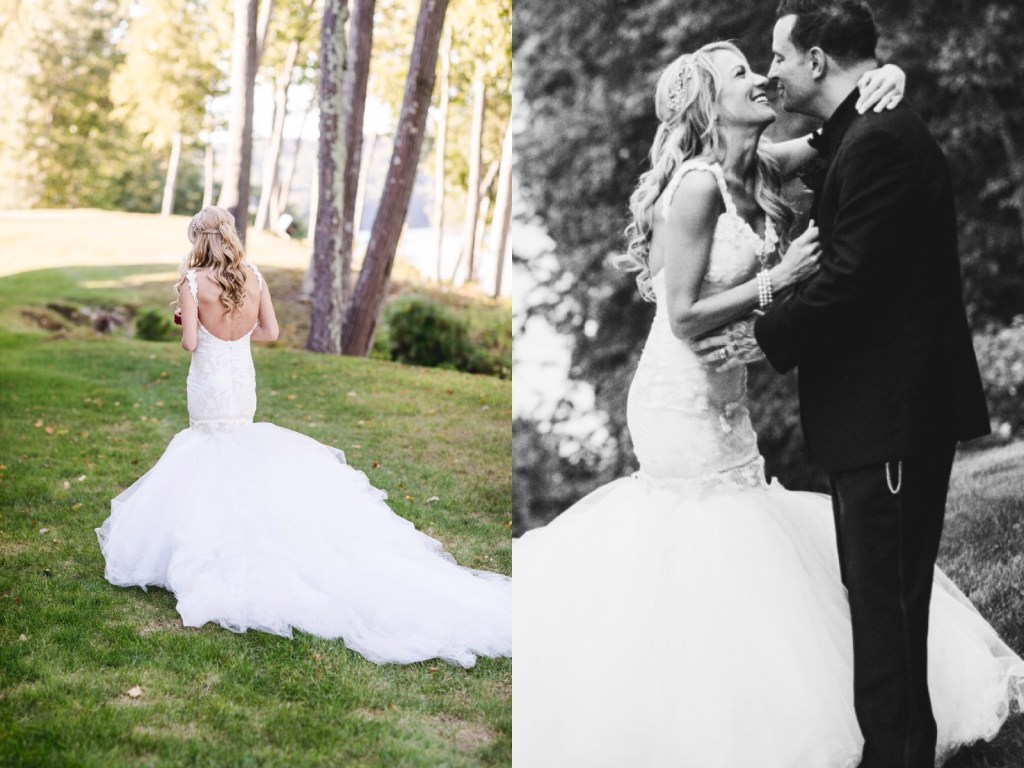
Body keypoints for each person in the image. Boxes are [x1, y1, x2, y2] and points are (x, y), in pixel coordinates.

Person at [512, 40, 1024, 767]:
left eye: (758, 67)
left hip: (728, 390)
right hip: (677, 395)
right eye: (740, 75)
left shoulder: (758, 164)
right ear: (709, 105)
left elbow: (841, 125)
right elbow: (682, 315)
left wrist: (889, 72)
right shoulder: (696, 187)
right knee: (703, 538)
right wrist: (776, 280)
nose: (760, 79)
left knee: (743, 530)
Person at [744, 2, 996, 765]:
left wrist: (766, 330)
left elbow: (849, 279)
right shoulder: (860, 128)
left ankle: (899, 754)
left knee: (886, 609)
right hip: (883, 416)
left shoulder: (879, 140)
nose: (771, 72)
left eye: (780, 57)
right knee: (883, 602)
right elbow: (797, 152)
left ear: (817, 60)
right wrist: (888, 75)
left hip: (891, 417)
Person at [95, 206, 511, 669]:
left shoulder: (191, 282)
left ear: (197, 239)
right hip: (241, 379)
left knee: (208, 451)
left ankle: (213, 549)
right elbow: (270, 331)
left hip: (210, 382)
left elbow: (191, 343)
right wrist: (238, 330)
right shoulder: (253, 276)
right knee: (236, 447)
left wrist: (186, 319)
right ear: (229, 235)